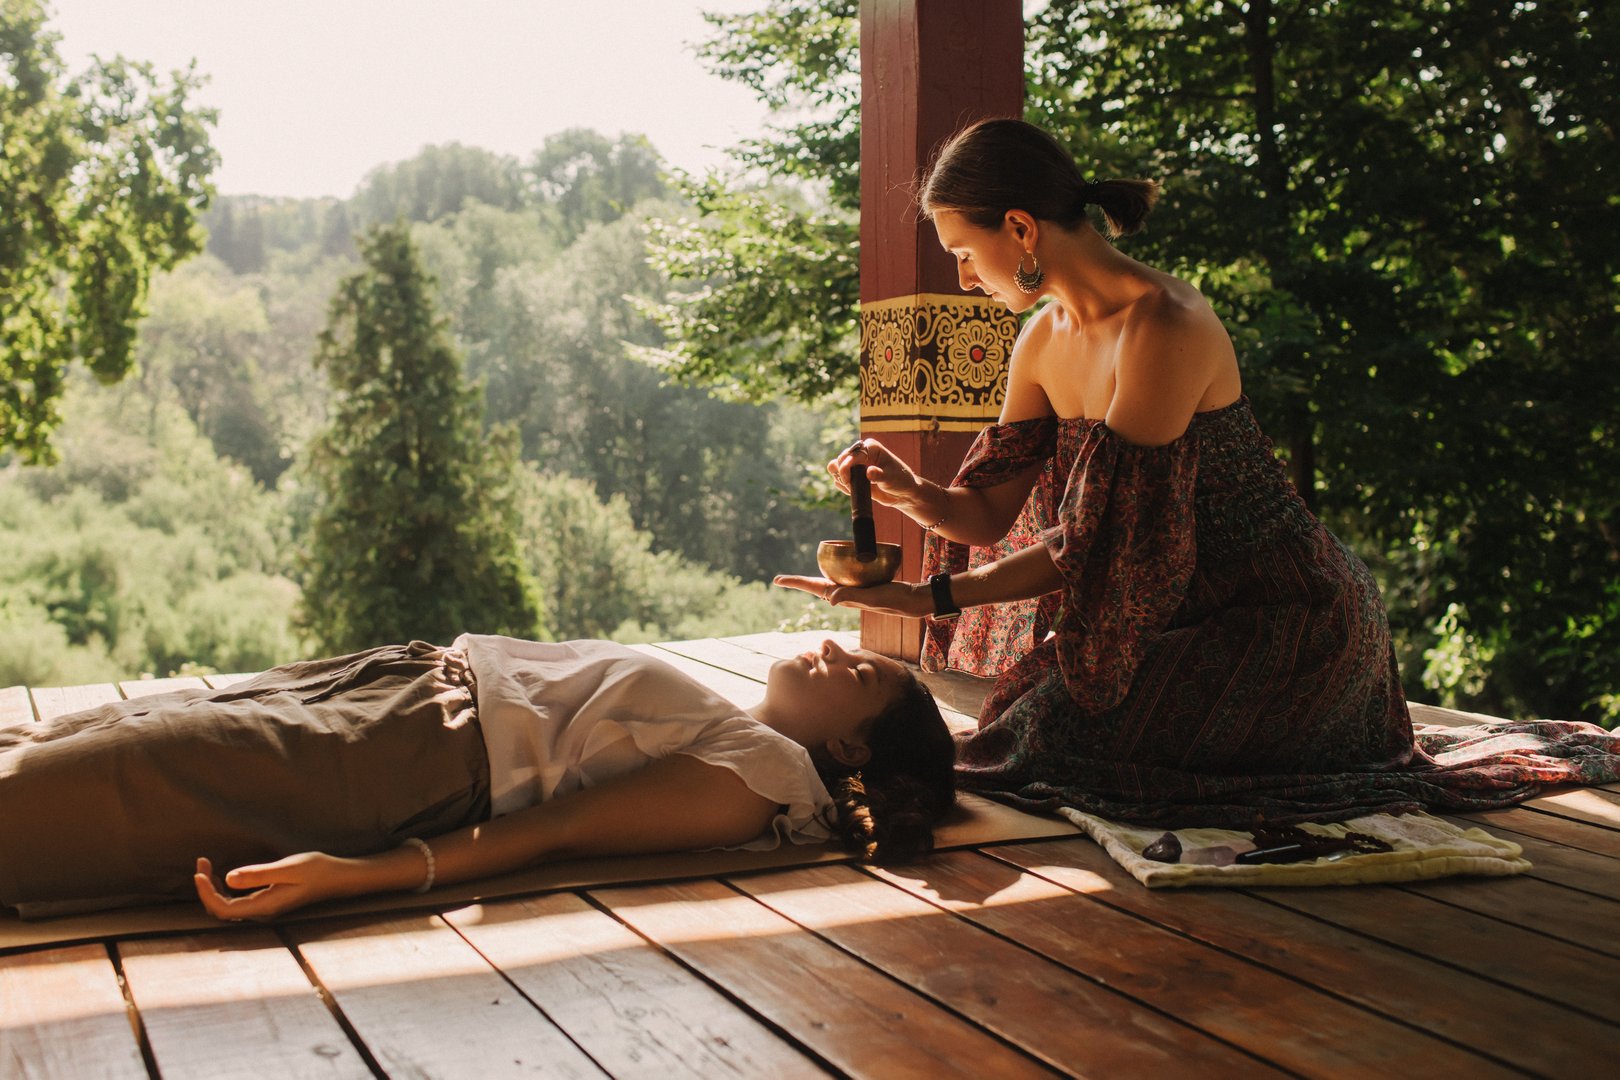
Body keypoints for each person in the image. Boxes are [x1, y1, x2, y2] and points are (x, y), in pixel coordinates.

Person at [777, 117, 1620, 827]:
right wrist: (915, 494)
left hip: (1280, 610)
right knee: (1030, 728)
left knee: (1051, 742)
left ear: (1022, 230)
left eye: (965, 252)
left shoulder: (1166, 325)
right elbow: (988, 514)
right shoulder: (1040, 339)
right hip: (1167, 610)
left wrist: (929, 599)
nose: (965, 279)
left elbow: (1099, 542)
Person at [0, 635, 954, 920]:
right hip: (398, 694)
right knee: (96, 736)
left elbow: (554, 836)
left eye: (862, 675)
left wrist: (352, 876)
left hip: (403, 757)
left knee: (112, 782)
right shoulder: (734, 726)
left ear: (855, 750)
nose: (836, 649)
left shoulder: (761, 778)